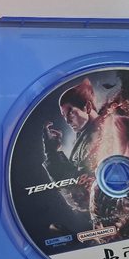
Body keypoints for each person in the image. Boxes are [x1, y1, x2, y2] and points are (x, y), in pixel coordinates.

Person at [42, 78, 104, 212]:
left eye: (70, 112)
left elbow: (79, 191)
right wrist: (53, 151)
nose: (67, 120)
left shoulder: (103, 133)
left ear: (87, 107)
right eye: (64, 115)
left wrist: (51, 153)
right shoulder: (85, 136)